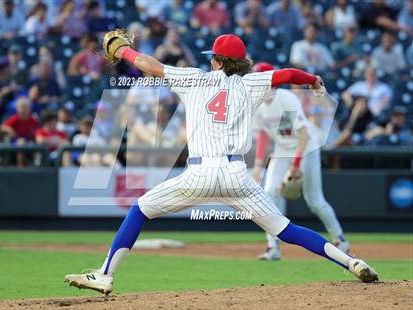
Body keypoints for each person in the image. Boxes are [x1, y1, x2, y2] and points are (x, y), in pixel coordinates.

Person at [65, 33, 378, 295]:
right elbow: (289, 74)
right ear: (240, 62)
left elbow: (151, 66)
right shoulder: (252, 83)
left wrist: (123, 50)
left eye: (211, 56)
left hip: (199, 174)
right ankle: (352, 262)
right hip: (236, 175)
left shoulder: (194, 78)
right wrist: (313, 80)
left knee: (140, 209)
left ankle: (106, 274)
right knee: (285, 229)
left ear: (216, 60)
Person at [251, 62, 349, 260]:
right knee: (268, 195)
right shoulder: (257, 105)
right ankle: (273, 248)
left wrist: (295, 166)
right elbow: (263, 135)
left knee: (315, 200)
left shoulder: (286, 99)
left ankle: (340, 239)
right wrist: (258, 166)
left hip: (306, 148)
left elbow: (302, 134)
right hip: (282, 149)